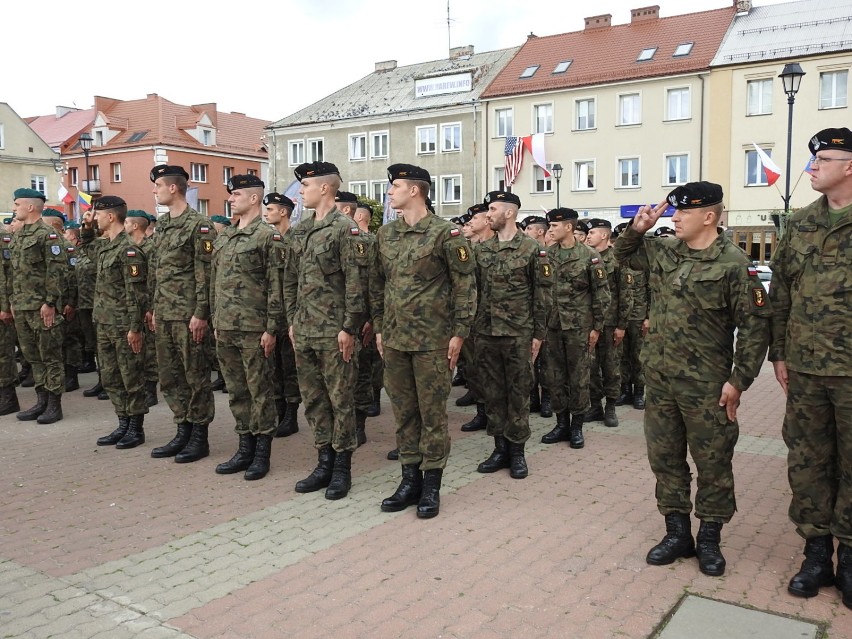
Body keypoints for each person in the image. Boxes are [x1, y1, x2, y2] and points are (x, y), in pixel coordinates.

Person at [616, 181, 771, 577]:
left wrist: (739, 381)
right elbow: (621, 256)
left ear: (709, 216)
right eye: (675, 211)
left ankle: (710, 539)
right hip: (662, 378)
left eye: (684, 212)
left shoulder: (735, 264)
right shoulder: (664, 250)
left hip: (706, 384)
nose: (676, 217)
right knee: (665, 459)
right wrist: (638, 228)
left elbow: (754, 328)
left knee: (713, 462)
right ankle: (677, 533)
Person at [769, 127, 852, 608]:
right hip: (804, 368)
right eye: (812, 158)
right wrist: (778, 353)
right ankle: (816, 556)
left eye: (824, 158)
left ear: (849, 166)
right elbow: (779, 295)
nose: (813, 165)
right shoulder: (799, 224)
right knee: (808, 461)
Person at [372, 163, 476, 518]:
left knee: (432, 414)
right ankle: (408, 480)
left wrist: (459, 332)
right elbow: (377, 285)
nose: (390, 192)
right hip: (397, 340)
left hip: (434, 340)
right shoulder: (385, 235)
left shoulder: (447, 235)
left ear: (415, 190)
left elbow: (465, 287)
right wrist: (380, 328)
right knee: (403, 414)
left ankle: (432, 485)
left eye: (395, 186)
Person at [284, 162, 365, 500]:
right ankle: (324, 461)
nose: (301, 191)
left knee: (340, 400)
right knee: (314, 400)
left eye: (306, 185)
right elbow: (290, 280)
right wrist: (291, 320)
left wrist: (349, 327)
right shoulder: (301, 231)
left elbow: (356, 284)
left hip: (335, 333)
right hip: (304, 330)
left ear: (325, 189)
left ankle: (342, 467)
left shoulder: (345, 229)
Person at [211, 175, 284, 481]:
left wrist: (272, 328)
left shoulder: (268, 236)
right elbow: (216, 282)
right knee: (237, 391)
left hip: (255, 328)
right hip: (226, 326)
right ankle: (244, 448)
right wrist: (215, 320)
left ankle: (262, 453)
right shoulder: (225, 236)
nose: (231, 198)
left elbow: (277, 285)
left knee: (260, 391)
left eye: (237, 194)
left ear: (254, 199)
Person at [473, 191, 546, 479]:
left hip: (518, 333)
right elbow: (474, 290)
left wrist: (538, 334)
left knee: (518, 393)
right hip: (486, 332)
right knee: (492, 392)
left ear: (509, 212)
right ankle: (499, 448)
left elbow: (542, 294)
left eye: (492, 209)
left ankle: (517, 452)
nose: (488, 214)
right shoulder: (482, 250)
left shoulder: (531, 249)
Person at [148, 164, 216, 463]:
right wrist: (152, 308)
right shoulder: (162, 226)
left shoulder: (198, 226)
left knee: (195, 376)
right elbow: (156, 271)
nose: (155, 190)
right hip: (164, 313)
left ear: (173, 188)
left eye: (158, 185)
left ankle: (200, 437)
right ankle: (183, 429)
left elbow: (206, 273)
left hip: (188, 315)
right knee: (170, 376)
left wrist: (201, 313)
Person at [540, 208, 610, 450]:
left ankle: (577, 426)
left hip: (579, 327)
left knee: (579, 377)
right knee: (554, 376)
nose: (550, 231)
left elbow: (602, 294)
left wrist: (597, 327)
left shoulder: (589, 256)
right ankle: (561, 424)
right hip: (552, 326)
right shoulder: (546, 255)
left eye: (554, 227)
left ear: (568, 227)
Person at [88, 197, 150, 449]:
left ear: (111, 217)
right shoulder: (106, 247)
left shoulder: (129, 250)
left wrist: (135, 328)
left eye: (97, 214)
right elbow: (85, 245)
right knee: (111, 377)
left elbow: (137, 294)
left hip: (123, 325)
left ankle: (135, 428)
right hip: (104, 322)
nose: (94, 218)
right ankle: (122, 422)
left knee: (130, 376)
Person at [9, 188, 67, 423]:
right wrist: (13, 301)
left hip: (41, 307)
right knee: (33, 357)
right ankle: (41, 401)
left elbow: (57, 271)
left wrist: (50, 302)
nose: (14, 208)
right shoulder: (19, 235)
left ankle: (54, 405)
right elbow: (16, 273)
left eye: (17, 204)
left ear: (31, 207)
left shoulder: (47, 235)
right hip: (22, 306)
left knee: (50, 356)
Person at [585, 218, 633, 428]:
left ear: (604, 235)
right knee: (592, 366)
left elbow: (626, 295)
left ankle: (610, 407)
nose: (588, 236)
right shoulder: (587, 258)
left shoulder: (617, 260)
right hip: (591, 322)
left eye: (592, 232)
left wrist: (622, 325)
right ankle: (595, 406)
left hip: (612, 323)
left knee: (612, 366)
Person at [335, 191, 373, 446]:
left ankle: (359, 424)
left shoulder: (366, 241)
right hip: (336, 317)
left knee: (361, 374)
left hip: (360, 319)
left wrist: (371, 317)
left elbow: (371, 282)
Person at [262, 192, 301, 437]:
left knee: (289, 365)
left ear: (284, 212)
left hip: (290, 312)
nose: (267, 213)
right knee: (272, 364)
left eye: (271, 209)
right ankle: (278, 409)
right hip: (270, 310)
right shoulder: (268, 239)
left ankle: (291, 414)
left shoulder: (296, 238)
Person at [123, 210, 159, 407]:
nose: (124, 225)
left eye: (127, 222)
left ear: (135, 226)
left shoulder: (150, 248)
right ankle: (141, 385)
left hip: (148, 306)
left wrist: (151, 308)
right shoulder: (129, 247)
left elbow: (153, 279)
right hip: (135, 306)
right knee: (139, 348)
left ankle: (151, 389)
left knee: (151, 349)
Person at [613, 222, 649, 410]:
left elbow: (652, 290)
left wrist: (648, 316)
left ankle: (639, 393)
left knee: (638, 356)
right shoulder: (617, 262)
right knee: (622, 356)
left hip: (638, 315)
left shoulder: (643, 262)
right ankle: (625, 390)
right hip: (621, 317)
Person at [0, 215, 19, 416]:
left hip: (1, 306)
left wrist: (5, 306)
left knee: (3, 353)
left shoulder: (2, 239)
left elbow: (6, 275)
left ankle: (8, 397)